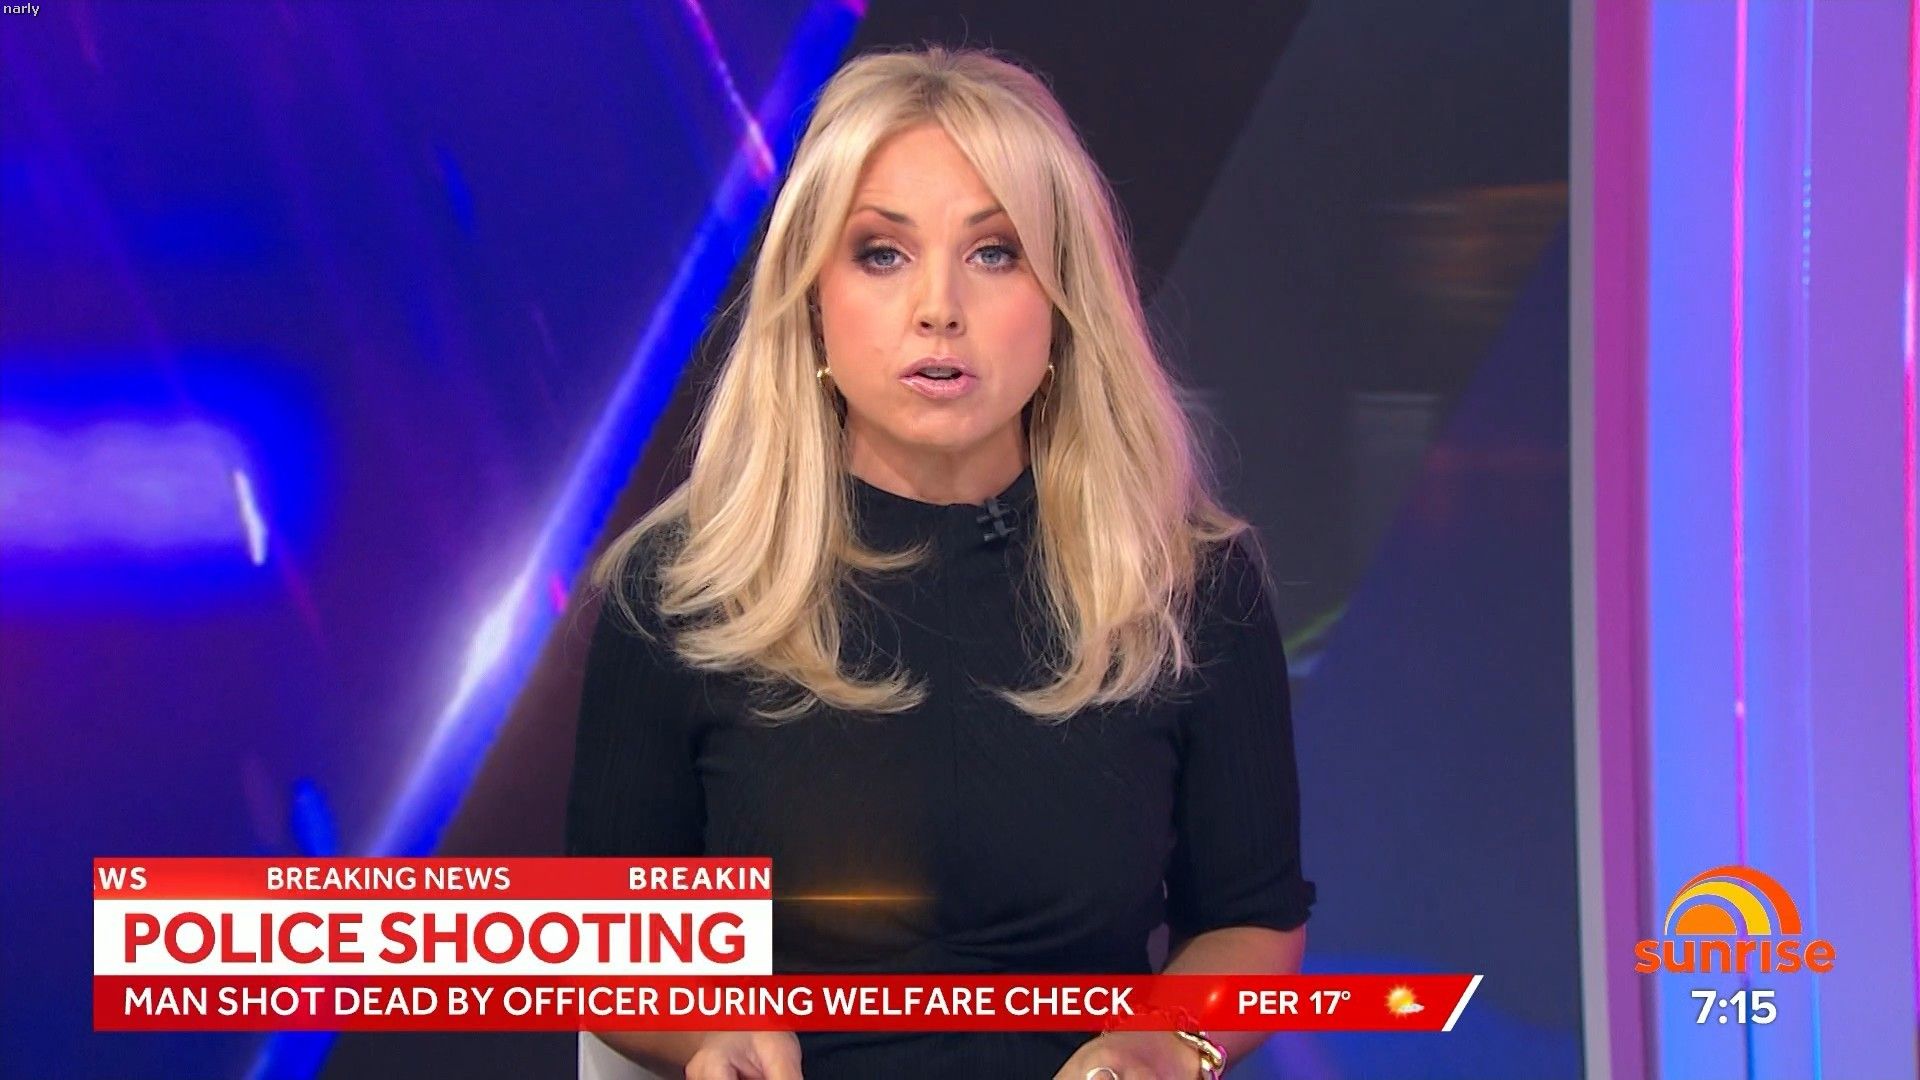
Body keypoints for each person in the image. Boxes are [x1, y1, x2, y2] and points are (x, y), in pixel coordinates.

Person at [566, 45, 1314, 1080]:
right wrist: (708, 1036)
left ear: (1064, 303)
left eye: (995, 252)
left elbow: (1250, 921)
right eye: (882, 253)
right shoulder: (680, 589)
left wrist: (1163, 1045)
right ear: (812, 299)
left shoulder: (1189, 585)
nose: (938, 307)